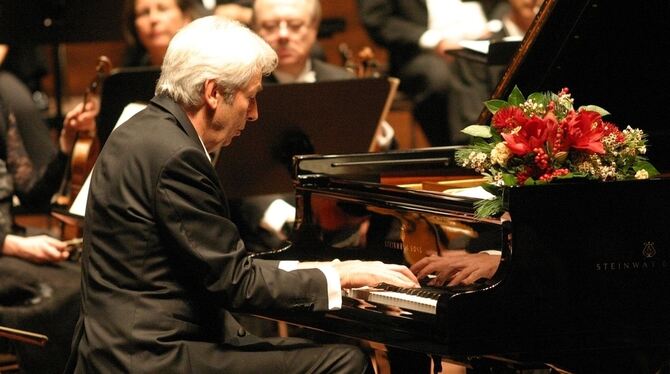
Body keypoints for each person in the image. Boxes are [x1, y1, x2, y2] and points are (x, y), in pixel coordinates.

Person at [65, 16, 418, 373]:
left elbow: (214, 267)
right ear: (213, 92)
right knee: (347, 361)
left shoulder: (138, 129)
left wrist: (330, 268)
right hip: (152, 357)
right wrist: (340, 277)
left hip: (119, 344)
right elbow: (236, 283)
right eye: (249, 98)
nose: (254, 114)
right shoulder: (177, 157)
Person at [358, 0, 496, 146]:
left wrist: (495, 24)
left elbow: (502, 4)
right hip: (420, 52)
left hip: (485, 41)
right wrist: (434, 41)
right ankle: (454, 152)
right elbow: (376, 19)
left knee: (510, 61)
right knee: (437, 76)